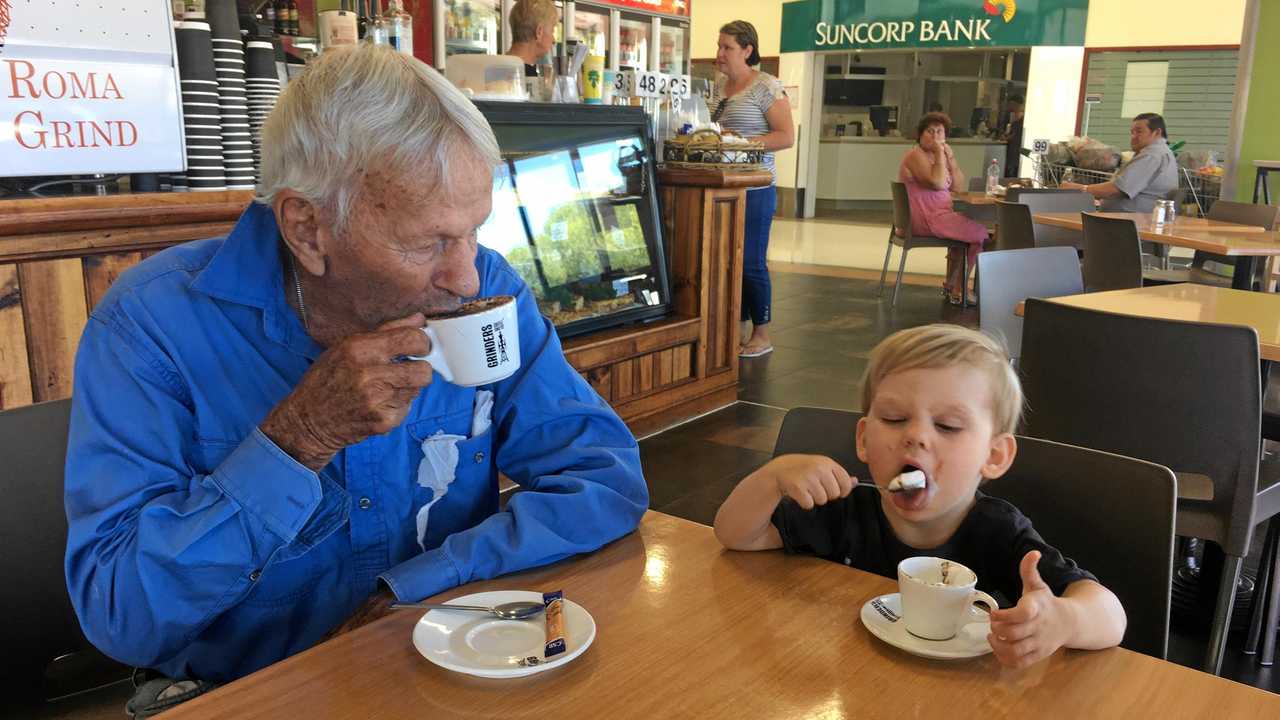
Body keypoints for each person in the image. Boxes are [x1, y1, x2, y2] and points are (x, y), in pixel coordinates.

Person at [63, 45, 648, 684]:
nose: (466, 275)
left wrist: (414, 589)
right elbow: (122, 616)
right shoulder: (153, 327)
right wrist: (297, 440)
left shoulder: (486, 295)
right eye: (430, 242)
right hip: (243, 692)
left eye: (475, 230)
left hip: (448, 670)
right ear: (307, 229)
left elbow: (603, 479)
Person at [713, 324, 1126, 669]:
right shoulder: (843, 511)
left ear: (994, 455)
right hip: (860, 681)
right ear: (862, 438)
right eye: (894, 419)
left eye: (947, 426)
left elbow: (1111, 616)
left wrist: (1065, 620)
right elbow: (736, 534)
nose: (915, 435)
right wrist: (771, 479)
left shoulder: (998, 531)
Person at [710, 20, 795, 358]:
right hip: (725, 186)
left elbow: (785, 137)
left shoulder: (766, 86)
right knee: (728, 259)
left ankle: (762, 332)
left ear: (747, 50)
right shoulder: (719, 87)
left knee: (751, 261)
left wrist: (741, 142)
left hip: (757, 187)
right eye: (719, 46)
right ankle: (738, 327)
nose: (720, 54)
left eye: (727, 47)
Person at [898, 112, 988, 306]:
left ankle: (952, 285)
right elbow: (938, 183)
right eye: (930, 131)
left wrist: (951, 157)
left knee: (969, 233)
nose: (935, 136)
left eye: (940, 132)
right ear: (920, 135)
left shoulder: (940, 157)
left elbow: (958, 187)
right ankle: (959, 288)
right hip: (926, 219)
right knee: (981, 233)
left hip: (941, 216)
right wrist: (940, 154)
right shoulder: (915, 155)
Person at [1061, 113, 1177, 213]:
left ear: (1157, 132)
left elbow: (1116, 190)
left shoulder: (1152, 155)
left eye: (1139, 131)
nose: (1133, 137)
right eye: (1132, 132)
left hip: (1127, 223)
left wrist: (1080, 189)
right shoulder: (1162, 153)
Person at [506, 0, 558, 77]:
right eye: (552, 31)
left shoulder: (492, 68)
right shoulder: (523, 79)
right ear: (539, 32)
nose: (553, 40)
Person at [1001, 95, 1025, 178]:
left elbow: (1015, 135)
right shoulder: (1014, 117)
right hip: (1013, 149)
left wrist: (1006, 137)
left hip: (1017, 149)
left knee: (1014, 171)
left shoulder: (1022, 119)